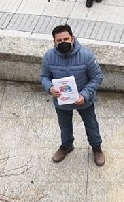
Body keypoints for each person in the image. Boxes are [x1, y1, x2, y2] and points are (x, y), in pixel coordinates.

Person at [41, 24, 105, 166]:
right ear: (54, 42)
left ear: (72, 38)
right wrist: (50, 87)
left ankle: (97, 148)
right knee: (64, 126)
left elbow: (97, 77)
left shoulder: (86, 55)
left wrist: (84, 94)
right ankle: (66, 146)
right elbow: (44, 76)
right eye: (59, 40)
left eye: (66, 38)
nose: (63, 42)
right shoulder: (49, 57)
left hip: (84, 101)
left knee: (91, 125)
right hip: (62, 102)